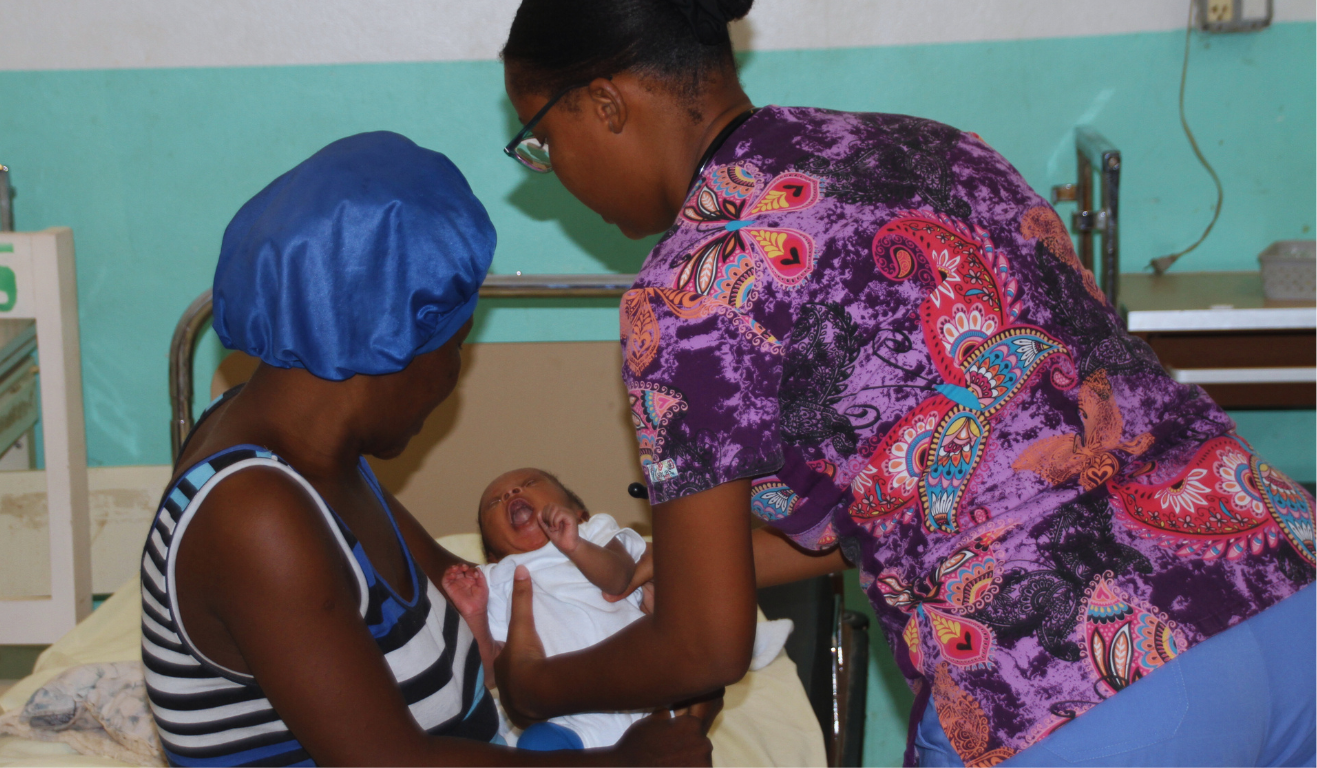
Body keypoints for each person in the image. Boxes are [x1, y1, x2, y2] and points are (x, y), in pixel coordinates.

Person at [491, 1, 1317, 766]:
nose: (551, 170)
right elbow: (948, 481)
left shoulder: (685, 291)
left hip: (1080, 679)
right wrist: (689, 570)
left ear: (602, 104)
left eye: (539, 141)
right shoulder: (931, 144)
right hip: (1274, 587)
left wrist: (535, 685)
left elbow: (704, 646)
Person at [139, 132, 715, 767]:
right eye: (455, 343)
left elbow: (462, 583)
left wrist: (655, 640)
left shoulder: (317, 456)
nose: (453, 377)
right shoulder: (254, 514)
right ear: (388, 343)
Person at [442, 468, 791, 752]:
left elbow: (619, 579)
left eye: (530, 484)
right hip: (568, 721)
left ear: (579, 514)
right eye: (494, 503)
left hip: (649, 700)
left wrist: (576, 546)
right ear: (492, 554)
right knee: (535, 748)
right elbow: (490, 674)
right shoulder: (497, 579)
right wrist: (474, 614)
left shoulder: (597, 533)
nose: (511, 495)